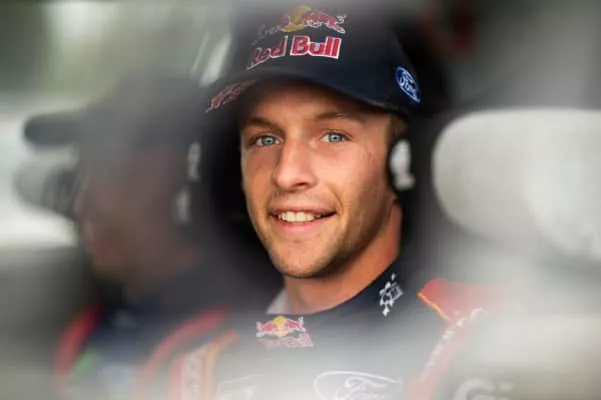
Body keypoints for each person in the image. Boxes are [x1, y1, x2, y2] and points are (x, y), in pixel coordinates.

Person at [167, 4, 510, 400]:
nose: (286, 173)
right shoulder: (197, 373)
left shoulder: (493, 343)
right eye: (265, 139)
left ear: (403, 162)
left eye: (333, 136)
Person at [23, 74, 280, 400]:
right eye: (83, 173)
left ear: (188, 181)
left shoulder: (251, 348)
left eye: (113, 174)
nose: (83, 204)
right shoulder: (89, 329)